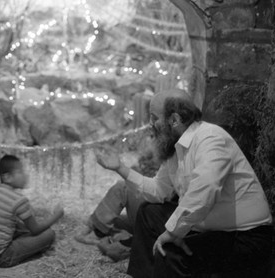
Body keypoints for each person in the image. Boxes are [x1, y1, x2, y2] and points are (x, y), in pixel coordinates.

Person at [98, 88, 273, 278]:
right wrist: (119, 168)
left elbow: (206, 189)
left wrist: (172, 232)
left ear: (174, 120)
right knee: (149, 214)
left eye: (154, 117)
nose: (150, 124)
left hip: (245, 235)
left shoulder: (211, 138)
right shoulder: (176, 147)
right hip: (210, 227)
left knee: (171, 252)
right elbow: (158, 190)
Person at [0, 154, 64, 268]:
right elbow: (35, 230)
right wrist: (56, 216)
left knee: (20, 226)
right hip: (2, 257)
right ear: (7, 177)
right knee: (49, 234)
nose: (25, 175)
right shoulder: (19, 200)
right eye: (20, 172)